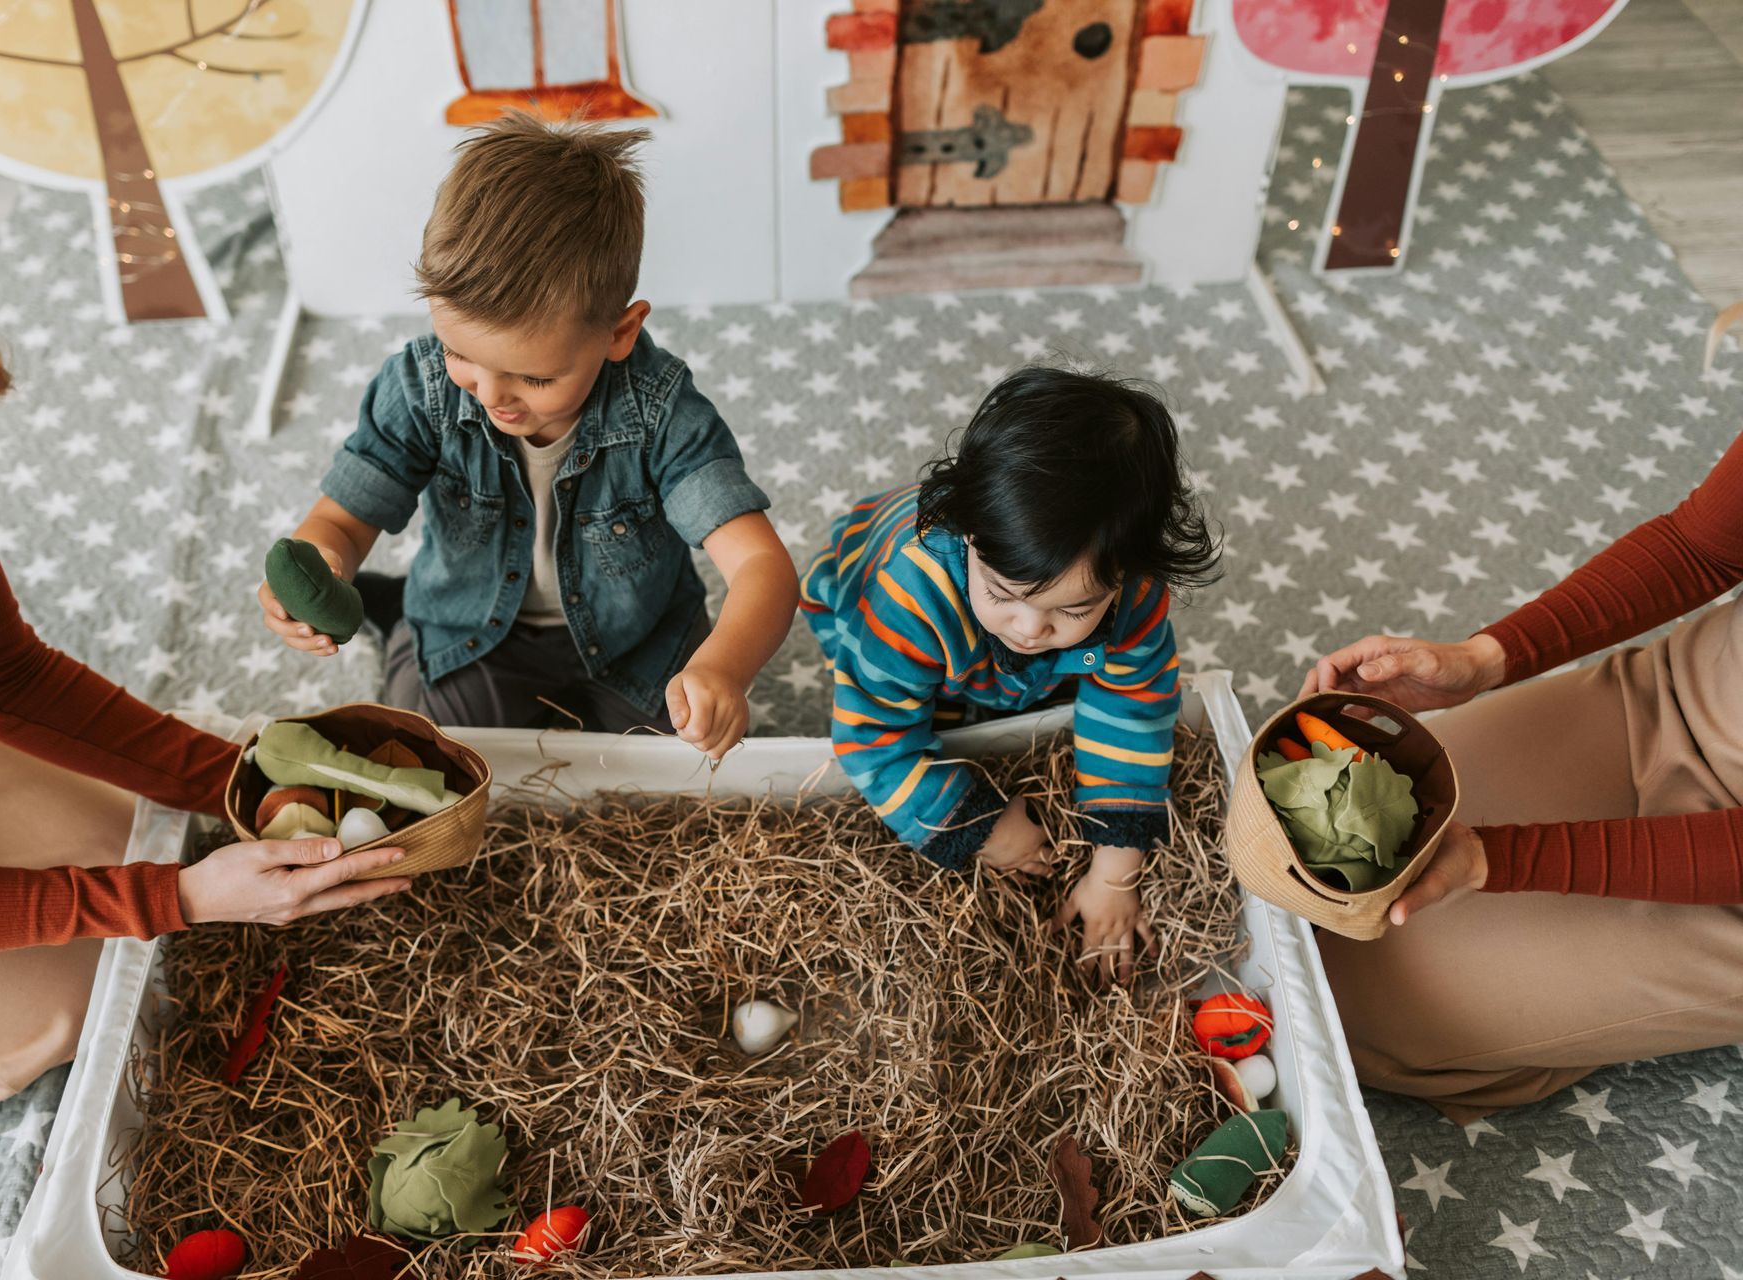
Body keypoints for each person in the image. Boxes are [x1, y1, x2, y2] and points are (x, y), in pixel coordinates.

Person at [0, 201, 411, 1119]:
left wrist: (237, 782)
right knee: (70, 998)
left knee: (124, 845)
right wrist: (174, 900)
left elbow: (2, 675)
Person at [258, 114, 798, 760]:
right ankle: (399, 614)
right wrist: (322, 565)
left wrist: (722, 671)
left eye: (534, 377)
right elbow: (341, 523)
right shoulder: (422, 388)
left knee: (696, 766)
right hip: (471, 633)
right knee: (420, 754)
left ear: (619, 333)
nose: (489, 395)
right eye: (461, 354)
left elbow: (763, 568)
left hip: (637, 645)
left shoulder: (661, 410)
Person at [1302, 428, 1743, 1121]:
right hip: (1678, 695)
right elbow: (1702, 544)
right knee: (1350, 847)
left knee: (1352, 1019)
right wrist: (1482, 660)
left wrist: (1497, 859)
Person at [799, 368, 1220, 983]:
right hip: (863, 610)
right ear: (969, 534)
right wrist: (978, 827)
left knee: (1090, 672)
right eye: (1004, 592)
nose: (1028, 628)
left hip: (999, 647)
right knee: (920, 706)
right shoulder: (907, 595)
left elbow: (1134, 708)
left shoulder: (1134, 593)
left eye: (1073, 608)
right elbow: (870, 735)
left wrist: (1114, 872)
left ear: (1127, 573)